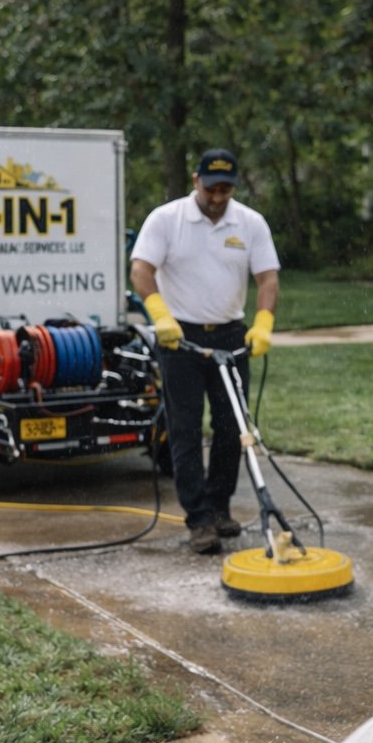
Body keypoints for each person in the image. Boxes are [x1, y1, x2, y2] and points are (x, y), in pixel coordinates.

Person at [130, 148, 282, 555]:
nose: (218, 197)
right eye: (211, 187)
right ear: (195, 180)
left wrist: (263, 321)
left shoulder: (250, 223)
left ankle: (219, 506)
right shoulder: (167, 219)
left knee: (233, 427)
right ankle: (198, 518)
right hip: (179, 337)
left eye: (226, 189)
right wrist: (160, 314)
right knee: (185, 428)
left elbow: (267, 277)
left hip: (231, 335)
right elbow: (141, 269)